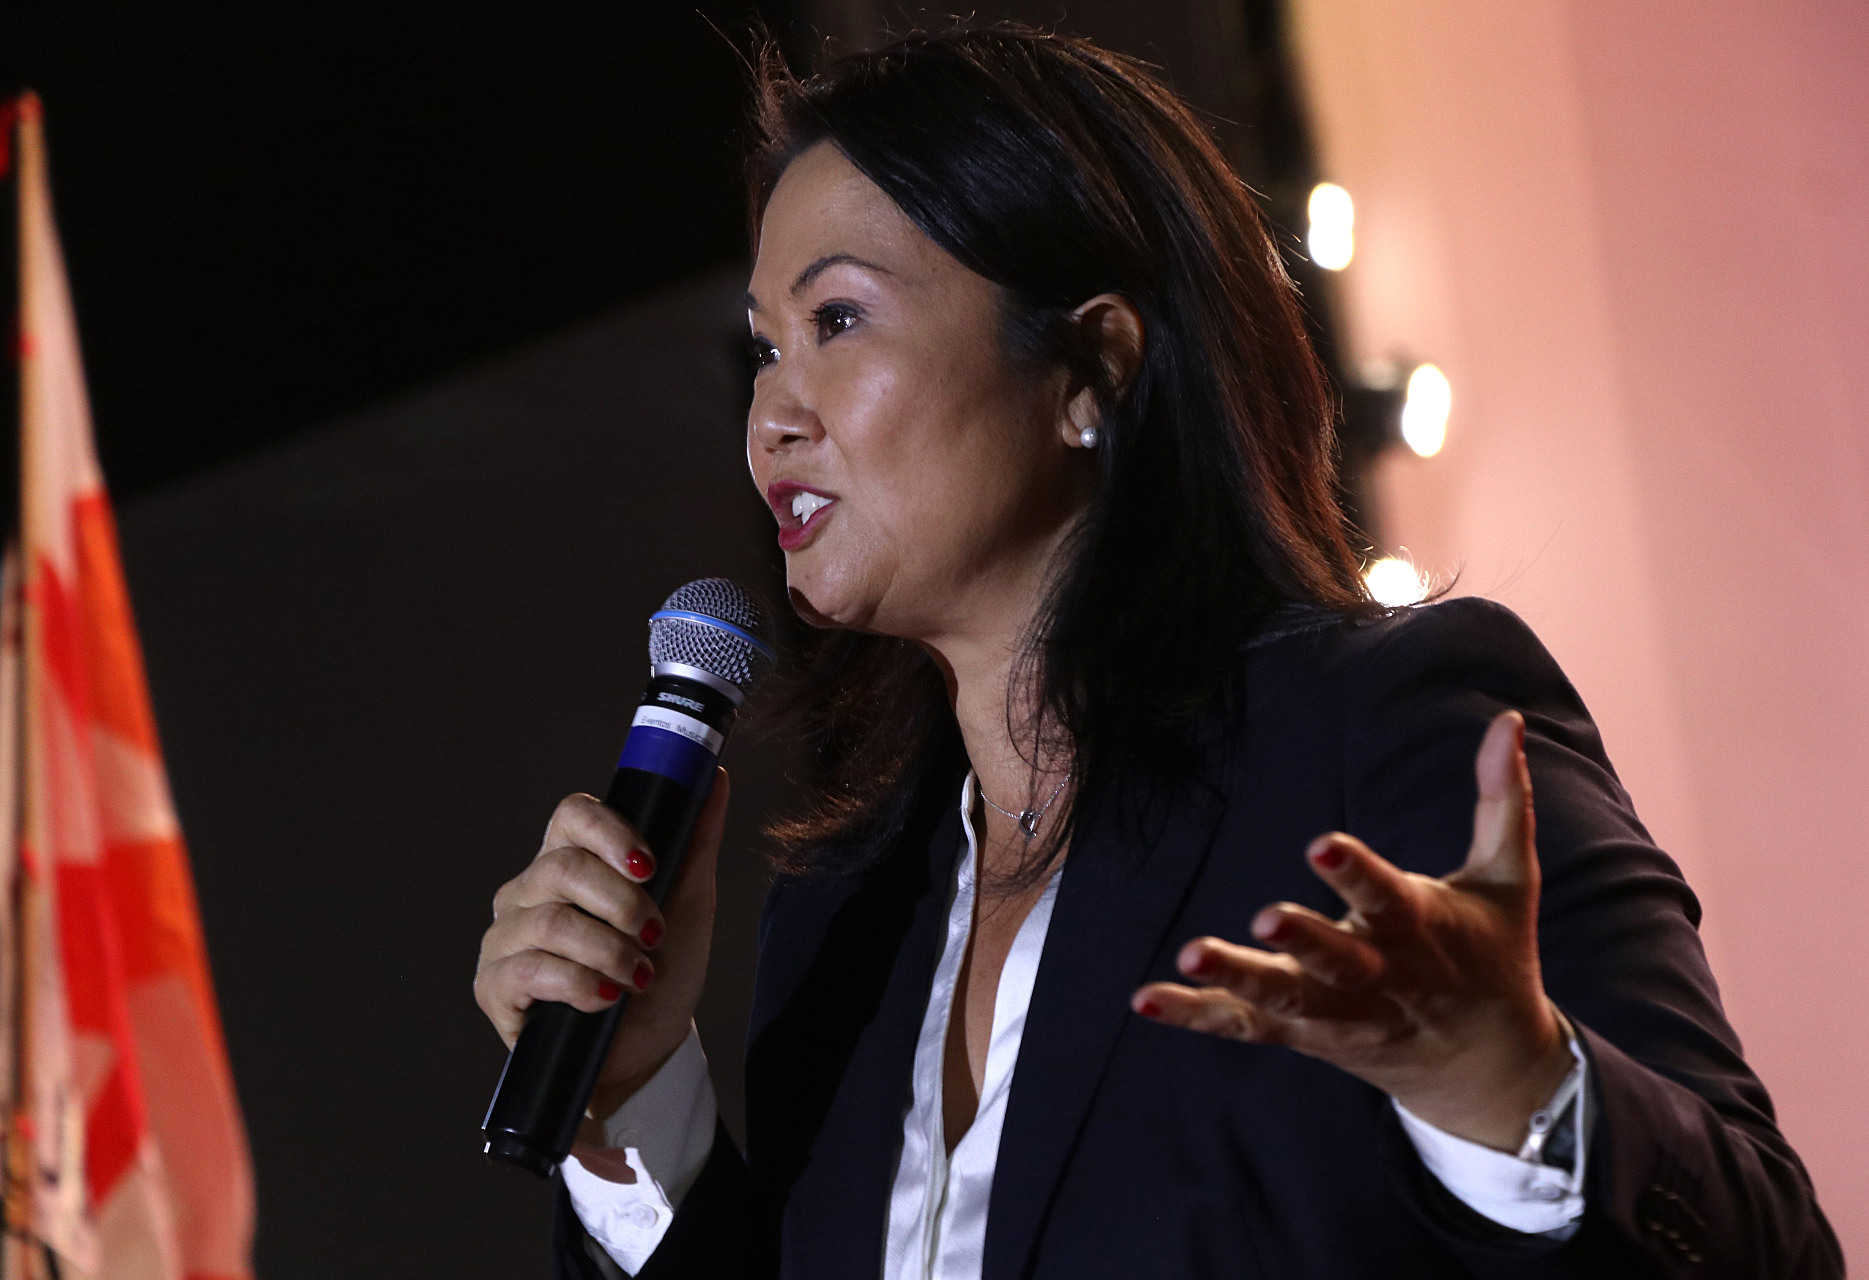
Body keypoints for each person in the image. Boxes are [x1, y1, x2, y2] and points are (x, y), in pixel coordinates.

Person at [473, 24, 1841, 1280]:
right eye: (765, 347)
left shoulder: (1375, 732)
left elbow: (1765, 1251)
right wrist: (631, 1095)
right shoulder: (848, 911)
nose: (772, 414)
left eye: (837, 321)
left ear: (1094, 369)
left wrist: (1510, 1087)